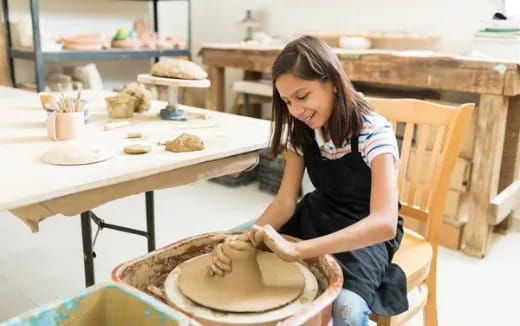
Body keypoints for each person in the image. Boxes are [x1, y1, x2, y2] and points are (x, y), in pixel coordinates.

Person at [209, 35, 408, 326]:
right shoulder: (303, 130)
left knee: (348, 313)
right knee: (226, 243)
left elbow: (384, 223)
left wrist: (299, 250)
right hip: (317, 212)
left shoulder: (373, 132)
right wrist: (245, 239)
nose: (295, 110)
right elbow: (285, 202)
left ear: (334, 83)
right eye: (287, 101)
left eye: (302, 97)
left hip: (364, 231)